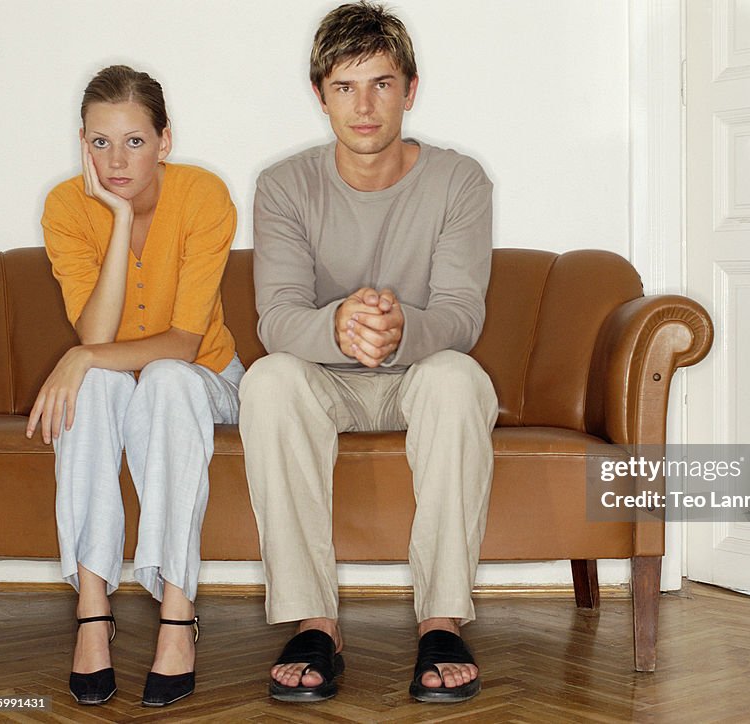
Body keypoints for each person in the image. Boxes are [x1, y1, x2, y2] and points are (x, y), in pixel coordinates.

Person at [239, 1, 497, 704]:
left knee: (459, 380)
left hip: (419, 376)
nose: (364, 105)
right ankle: (314, 621)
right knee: (267, 381)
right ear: (320, 95)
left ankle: (440, 619)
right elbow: (278, 317)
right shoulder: (284, 185)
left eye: (381, 83)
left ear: (410, 90)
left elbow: (459, 314)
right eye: (345, 86)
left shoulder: (460, 181)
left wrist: (398, 328)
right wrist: (342, 324)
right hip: (325, 381)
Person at [28, 64, 242, 708]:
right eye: (100, 142)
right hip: (119, 383)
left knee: (168, 379)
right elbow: (93, 331)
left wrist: (84, 357)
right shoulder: (68, 207)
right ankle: (93, 611)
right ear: (82, 143)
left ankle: (179, 613)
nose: (116, 160)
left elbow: (182, 342)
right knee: (89, 389)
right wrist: (118, 219)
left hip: (204, 377)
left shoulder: (204, 195)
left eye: (135, 141)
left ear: (165, 141)